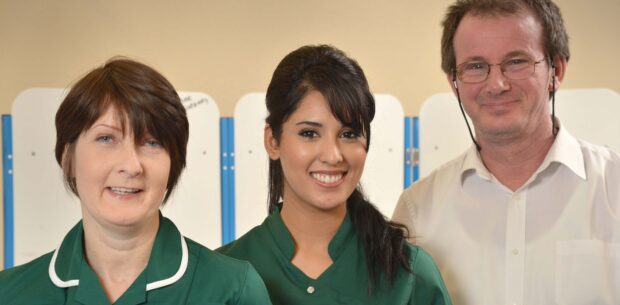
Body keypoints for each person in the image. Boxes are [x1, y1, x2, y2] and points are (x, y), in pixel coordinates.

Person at [392, 1, 620, 304]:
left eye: (517, 62)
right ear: (454, 83)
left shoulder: (614, 187)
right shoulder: (417, 212)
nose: (497, 84)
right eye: (475, 66)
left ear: (557, 70)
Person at [0, 58, 272, 305]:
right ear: (68, 156)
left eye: (152, 142)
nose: (131, 166)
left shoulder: (233, 290)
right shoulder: (10, 293)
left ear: (173, 163)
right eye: (106, 138)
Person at [218, 45, 452, 305]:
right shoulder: (223, 275)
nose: (333, 155)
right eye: (309, 133)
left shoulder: (410, 274)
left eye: (348, 134)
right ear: (273, 141)